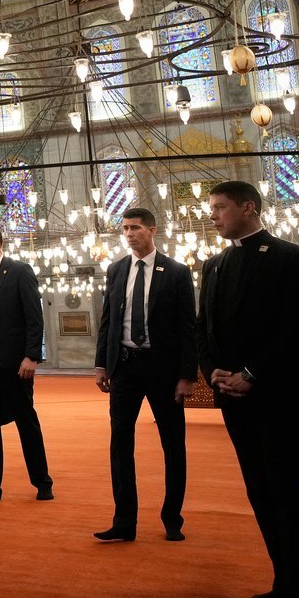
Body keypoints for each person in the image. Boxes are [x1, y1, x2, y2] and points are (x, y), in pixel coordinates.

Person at [196, 181, 299, 598]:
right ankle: (282, 583)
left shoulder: (292, 258)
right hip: (232, 396)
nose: (212, 215)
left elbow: (298, 330)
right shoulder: (213, 265)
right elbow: (203, 328)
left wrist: (251, 373)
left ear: (248, 207)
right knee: (259, 488)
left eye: (220, 207)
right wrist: (212, 371)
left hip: (278, 394)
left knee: (286, 488)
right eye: (211, 208)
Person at [93, 207, 196, 543]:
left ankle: (172, 518)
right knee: (120, 444)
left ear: (152, 230)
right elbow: (108, 320)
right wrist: (101, 364)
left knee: (173, 444)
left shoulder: (176, 272)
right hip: (124, 367)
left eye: (135, 227)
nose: (129, 234)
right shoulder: (116, 269)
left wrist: (186, 376)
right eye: (124, 228)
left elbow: (187, 327)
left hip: (163, 370)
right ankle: (124, 521)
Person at [0, 224, 54, 503]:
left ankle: (42, 482)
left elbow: (34, 317)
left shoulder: (19, 271)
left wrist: (32, 355)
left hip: (15, 362)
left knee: (25, 420)